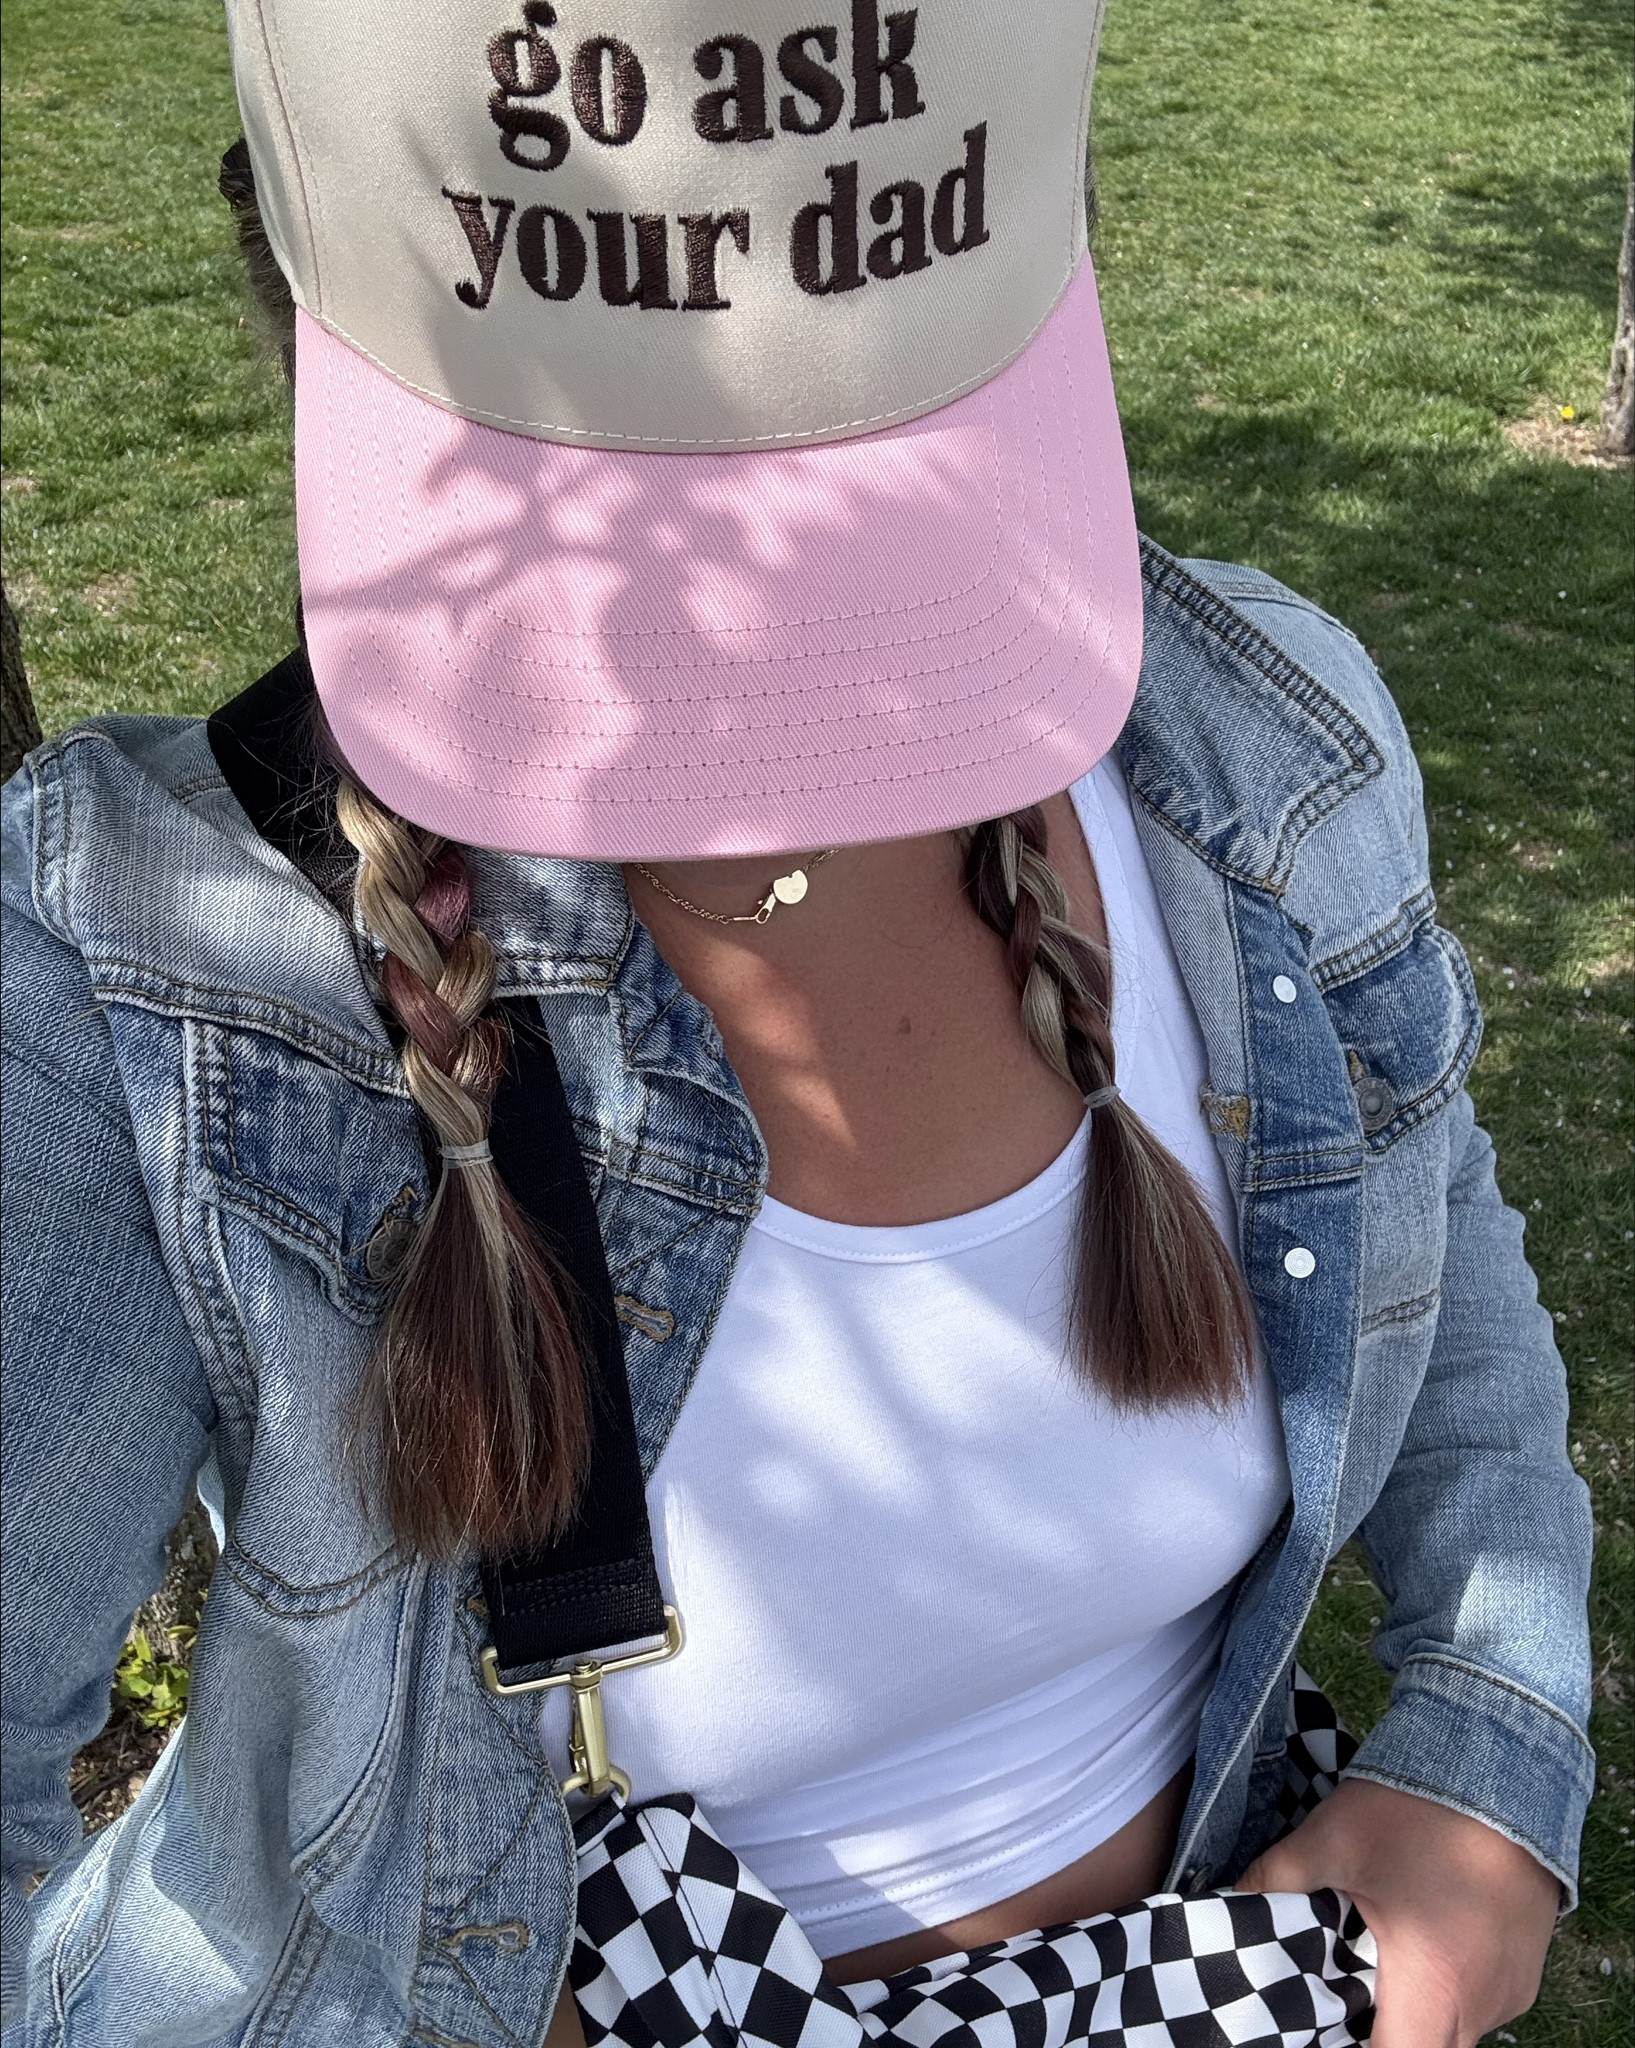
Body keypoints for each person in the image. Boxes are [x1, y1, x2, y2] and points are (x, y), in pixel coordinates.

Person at [0, 2, 1594, 2044]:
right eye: (624, 530)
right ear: (291, 279)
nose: (767, 710)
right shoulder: (140, 965)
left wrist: (1482, 1732)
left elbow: (1433, 1213)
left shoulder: (1252, 752)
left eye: (851, 493)